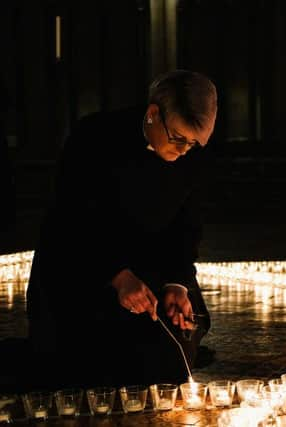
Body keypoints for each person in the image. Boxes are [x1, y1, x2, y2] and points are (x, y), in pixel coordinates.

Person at [26, 70, 217, 389]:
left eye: (194, 143)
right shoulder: (93, 139)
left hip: (150, 269)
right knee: (100, 362)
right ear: (154, 114)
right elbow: (71, 222)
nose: (184, 150)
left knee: (175, 341)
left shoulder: (190, 158)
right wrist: (117, 275)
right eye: (178, 138)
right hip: (83, 268)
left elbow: (186, 226)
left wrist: (177, 282)